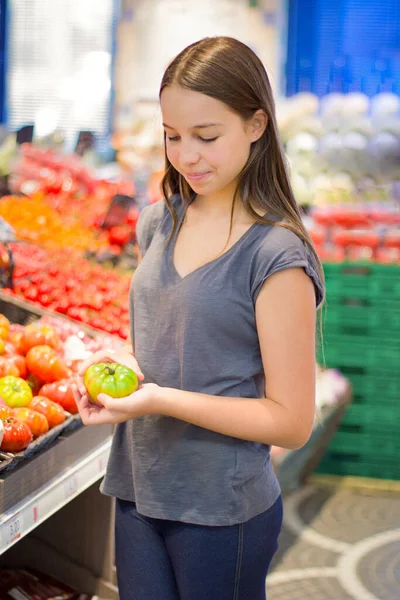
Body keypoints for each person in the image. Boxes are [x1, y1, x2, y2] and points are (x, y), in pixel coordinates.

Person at [74, 36, 325, 600]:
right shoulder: (159, 222)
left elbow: (290, 421)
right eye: (173, 137)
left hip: (221, 508)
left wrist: (159, 399)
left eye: (206, 137)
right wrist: (123, 365)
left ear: (256, 125)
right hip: (139, 488)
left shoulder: (275, 255)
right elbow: (170, 345)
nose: (187, 156)